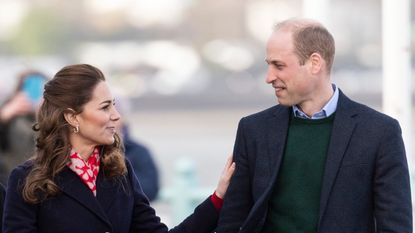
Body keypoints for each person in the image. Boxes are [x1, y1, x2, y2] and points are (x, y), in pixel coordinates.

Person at [216, 18, 412, 233]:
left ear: (315, 63)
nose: (269, 77)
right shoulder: (253, 130)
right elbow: (232, 223)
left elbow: (395, 226)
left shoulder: (380, 132)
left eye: (279, 65)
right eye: (269, 65)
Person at [3, 64, 235, 233]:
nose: (116, 116)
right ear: (72, 117)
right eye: (105, 107)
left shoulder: (119, 172)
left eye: (114, 105)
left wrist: (218, 197)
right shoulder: (28, 180)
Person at [0, 71, 48, 184]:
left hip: (39, 182)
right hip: (10, 180)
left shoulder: (51, 116)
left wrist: (42, 115)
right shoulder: (9, 114)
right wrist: (4, 115)